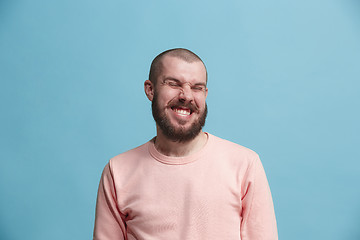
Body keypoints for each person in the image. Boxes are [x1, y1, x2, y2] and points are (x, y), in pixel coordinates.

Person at [93, 48, 278, 240]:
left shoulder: (245, 164)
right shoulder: (118, 171)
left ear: (205, 94)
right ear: (150, 89)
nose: (187, 96)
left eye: (197, 88)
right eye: (174, 84)